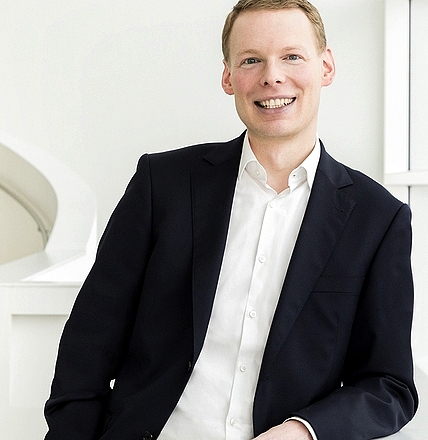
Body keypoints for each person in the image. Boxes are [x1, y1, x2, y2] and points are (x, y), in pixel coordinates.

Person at [44, 0, 418, 439]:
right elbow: (87, 346)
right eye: (251, 60)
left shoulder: (378, 218)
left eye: (292, 56)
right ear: (228, 77)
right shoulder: (161, 184)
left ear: (326, 67)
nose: (272, 76)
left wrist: (302, 431)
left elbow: (388, 386)